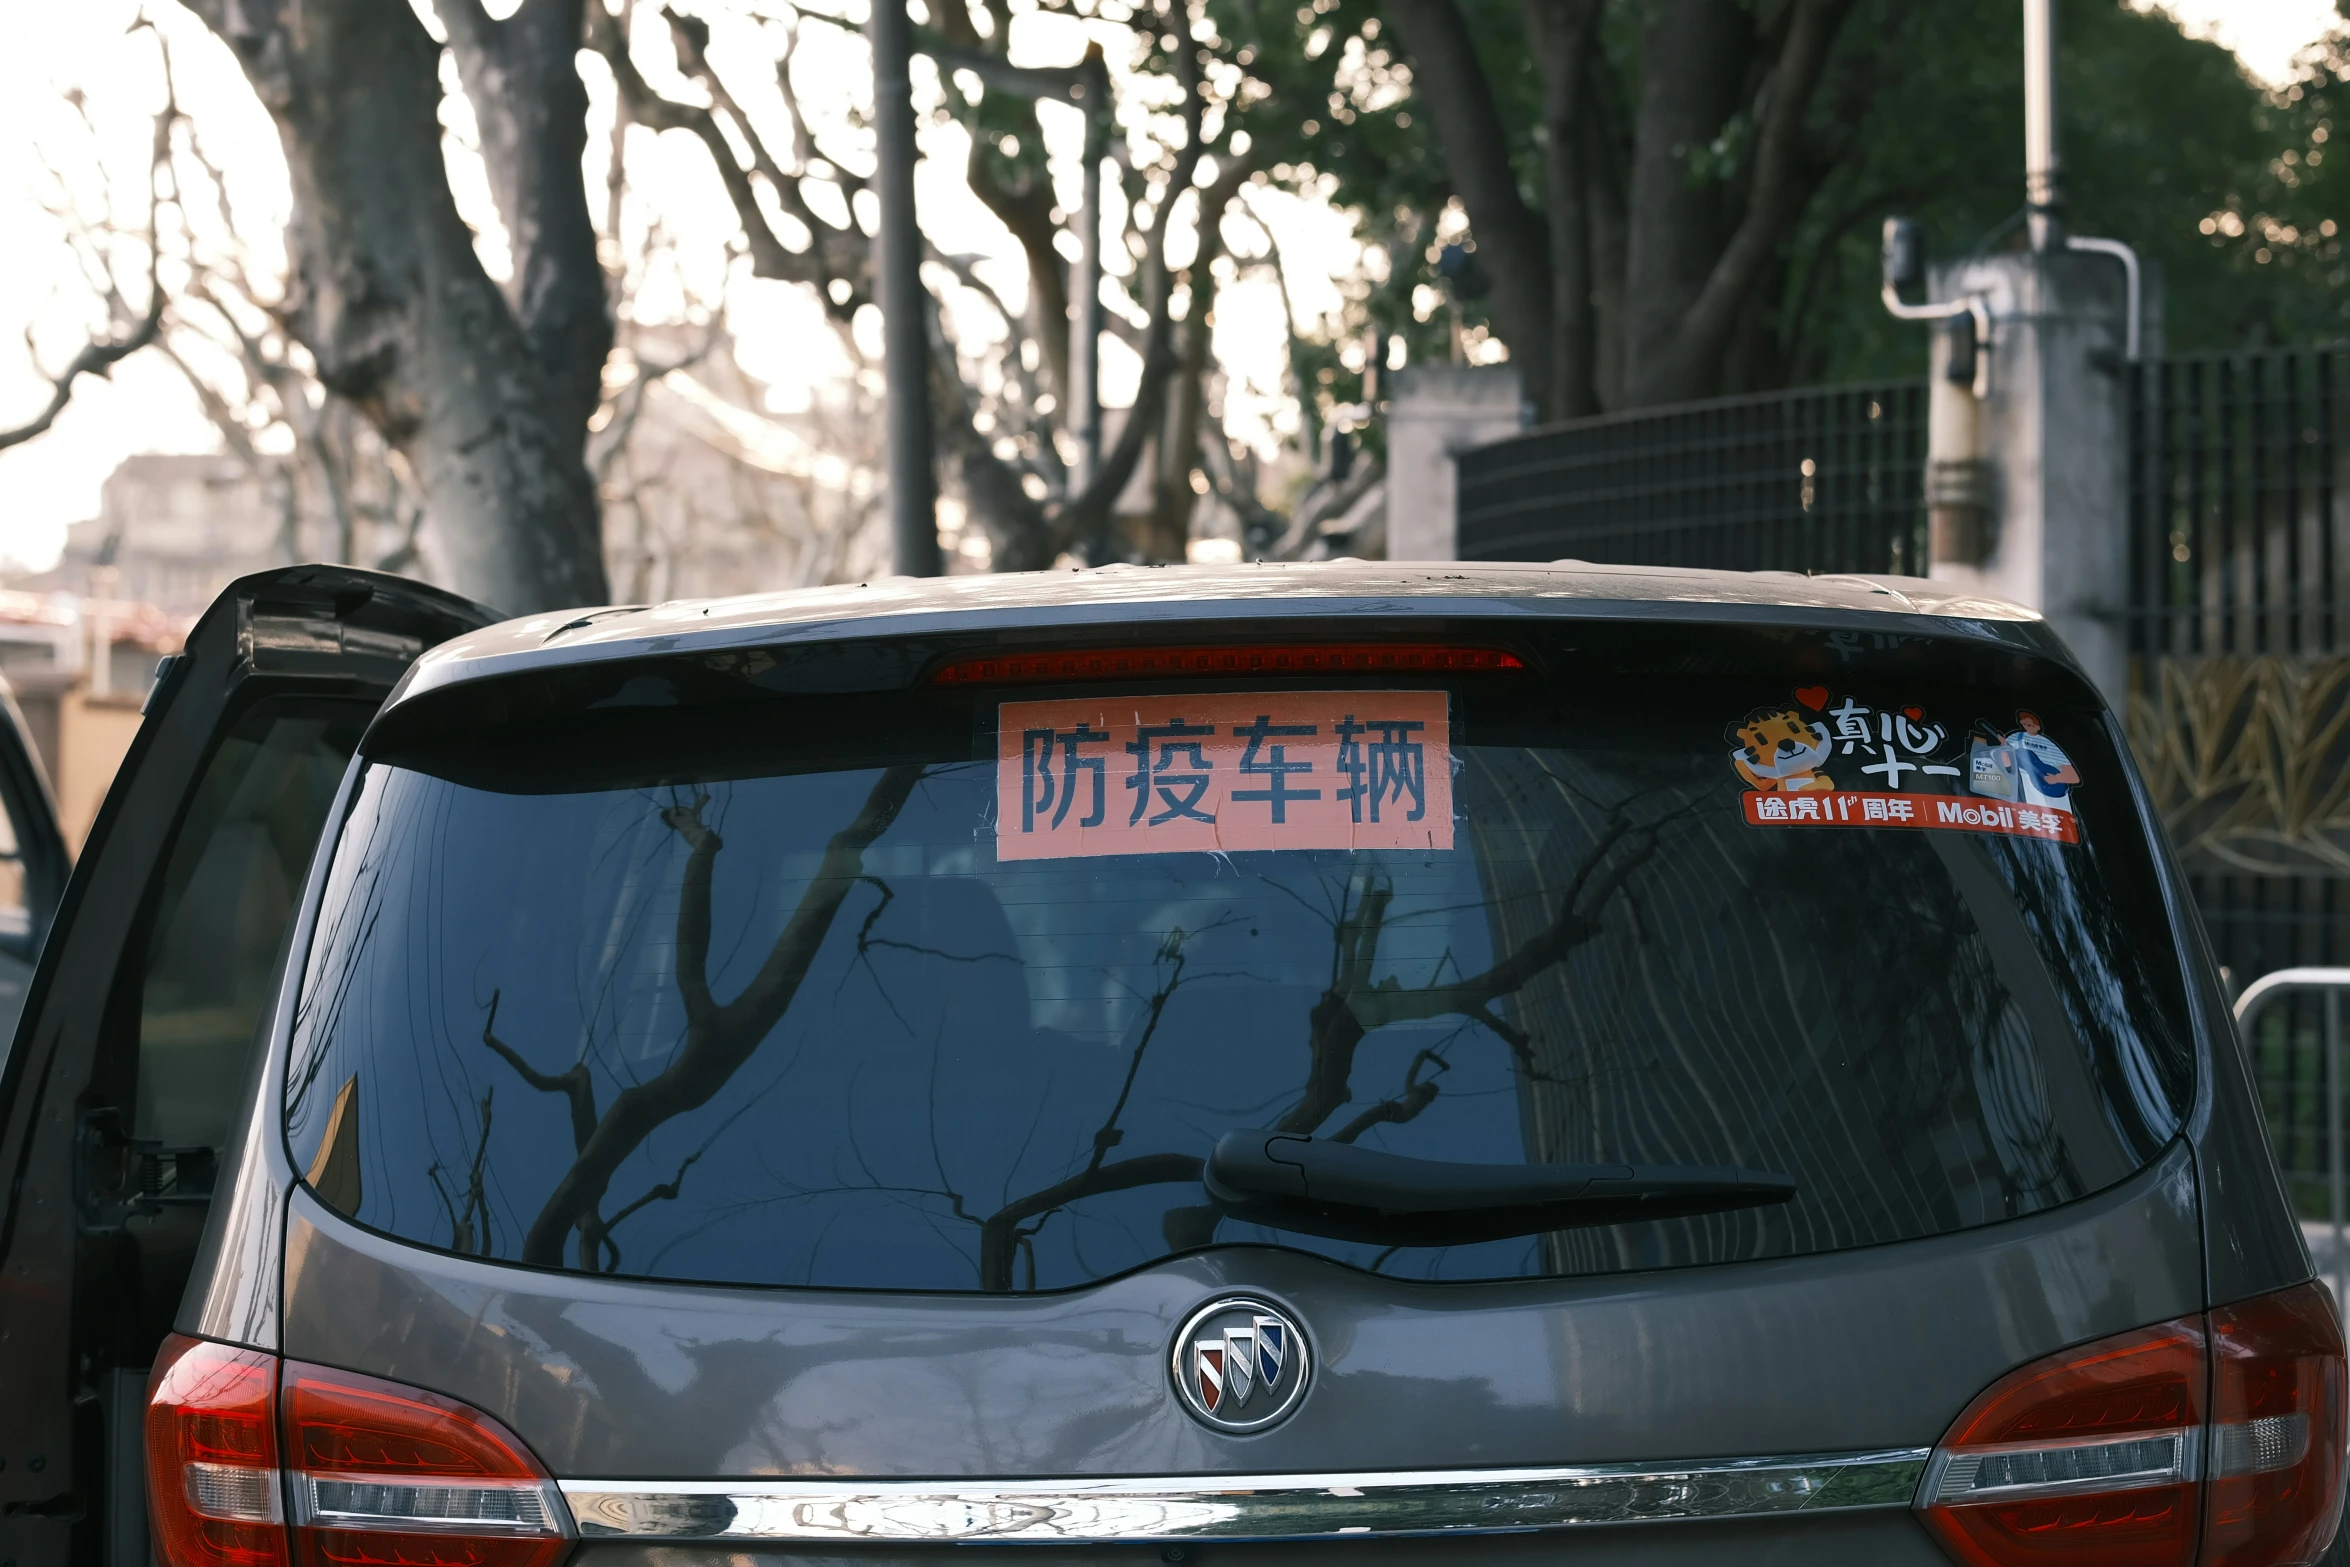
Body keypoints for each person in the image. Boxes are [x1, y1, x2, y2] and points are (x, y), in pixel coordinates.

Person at [2004, 710, 2080, 814]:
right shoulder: (2014, 738)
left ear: (2038, 727)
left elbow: (2073, 777)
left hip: (2056, 805)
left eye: (2030, 724)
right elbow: (2005, 765)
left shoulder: (2048, 744)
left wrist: (2056, 778)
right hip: (2025, 802)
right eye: (2024, 723)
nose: (2027, 726)